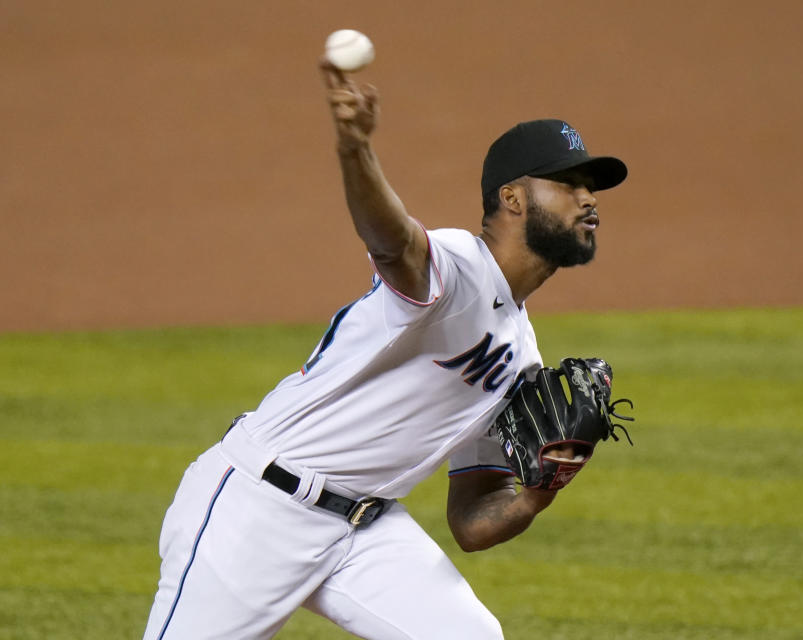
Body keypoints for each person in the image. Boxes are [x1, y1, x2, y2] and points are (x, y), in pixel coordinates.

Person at [142, 59, 628, 640]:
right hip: (258, 507)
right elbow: (392, 242)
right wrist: (356, 149)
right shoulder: (458, 267)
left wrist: (540, 492)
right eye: (568, 183)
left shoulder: (520, 357)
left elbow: (472, 519)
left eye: (591, 186)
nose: (587, 198)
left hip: (363, 533)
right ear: (513, 198)